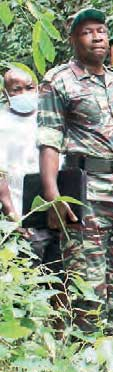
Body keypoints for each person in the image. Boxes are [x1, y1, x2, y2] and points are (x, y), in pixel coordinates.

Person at [37, 8, 113, 332]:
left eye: (101, 30)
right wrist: (52, 196)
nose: (97, 37)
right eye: (87, 32)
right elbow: (48, 140)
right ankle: (88, 345)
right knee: (87, 271)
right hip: (87, 188)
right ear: (73, 40)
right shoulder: (59, 81)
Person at [0, 68, 60, 266]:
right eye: (17, 89)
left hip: (54, 208)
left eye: (29, 87)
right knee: (26, 269)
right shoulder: (2, 122)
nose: (24, 93)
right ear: (5, 93)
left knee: (58, 274)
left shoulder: (49, 117)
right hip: (19, 212)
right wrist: (12, 216)